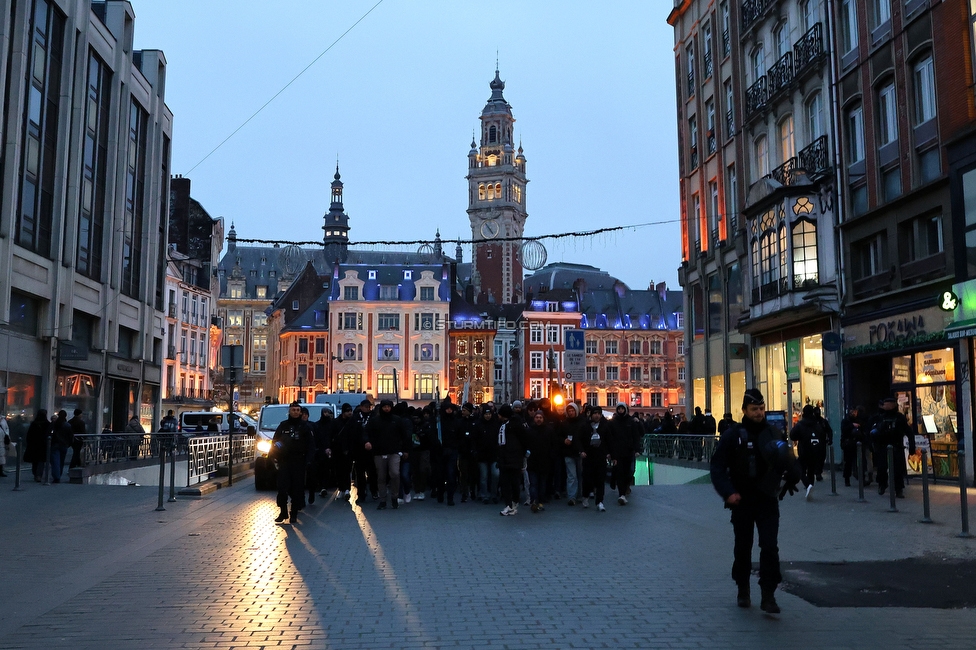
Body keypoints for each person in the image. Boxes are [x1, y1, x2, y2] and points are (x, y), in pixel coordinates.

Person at [710, 388, 802, 614]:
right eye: (754, 409)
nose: (759, 413)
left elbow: (790, 461)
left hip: (767, 499)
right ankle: (743, 588)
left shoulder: (774, 432)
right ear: (744, 410)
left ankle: (768, 595)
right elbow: (718, 467)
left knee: (769, 546)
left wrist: (793, 474)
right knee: (743, 547)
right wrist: (728, 492)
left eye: (761, 408)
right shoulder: (733, 435)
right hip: (741, 500)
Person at [270, 402, 314, 523]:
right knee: (282, 488)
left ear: (300, 412)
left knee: (297, 489)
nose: (295, 412)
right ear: (289, 411)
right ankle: (283, 511)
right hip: (284, 461)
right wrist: (273, 455)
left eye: (297, 410)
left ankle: (293, 513)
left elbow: (311, 445)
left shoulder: (305, 427)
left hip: (299, 462)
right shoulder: (283, 426)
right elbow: (275, 442)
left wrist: (308, 461)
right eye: (293, 410)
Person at [364, 399, 410, 510]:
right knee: (381, 477)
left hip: (394, 452)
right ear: (381, 408)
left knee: (395, 474)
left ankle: (394, 497)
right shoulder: (375, 421)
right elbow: (366, 432)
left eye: (388, 407)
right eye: (385, 407)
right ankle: (383, 499)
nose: (387, 409)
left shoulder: (397, 420)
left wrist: (406, 450)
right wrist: (367, 441)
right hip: (379, 453)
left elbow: (405, 436)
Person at [871, 397, 914, 498]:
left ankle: (898, 489)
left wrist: (912, 447)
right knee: (881, 468)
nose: (887, 406)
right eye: (886, 404)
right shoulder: (881, 417)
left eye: (889, 404)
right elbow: (874, 431)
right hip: (883, 446)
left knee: (898, 470)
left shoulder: (899, 417)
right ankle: (882, 484)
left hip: (896, 446)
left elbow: (908, 432)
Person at [790, 405, 826, 499]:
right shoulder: (817, 424)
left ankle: (807, 485)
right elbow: (823, 435)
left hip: (804, 451)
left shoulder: (801, 424)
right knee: (811, 470)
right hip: (816, 451)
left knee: (800, 468)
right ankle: (810, 487)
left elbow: (792, 435)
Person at [496, 404, 526, 516]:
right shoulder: (503, 425)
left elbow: (523, 439)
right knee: (506, 483)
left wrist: (522, 454)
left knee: (513, 482)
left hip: (513, 457)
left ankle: (513, 504)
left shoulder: (515, 425)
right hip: (505, 457)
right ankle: (510, 504)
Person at [580, 407, 612, 512]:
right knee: (587, 479)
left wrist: (609, 453)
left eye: (599, 413)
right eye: (595, 413)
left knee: (600, 480)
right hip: (588, 456)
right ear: (591, 415)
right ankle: (585, 496)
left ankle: (600, 501)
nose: (597, 415)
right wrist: (581, 451)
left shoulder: (605, 426)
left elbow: (608, 440)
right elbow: (580, 439)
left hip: (600, 456)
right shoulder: (585, 426)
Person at [608, 403, 639, 505]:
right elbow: (610, 438)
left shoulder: (631, 421)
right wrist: (610, 452)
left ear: (625, 410)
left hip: (628, 451)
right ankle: (621, 494)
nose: (621, 411)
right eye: (619, 409)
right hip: (617, 452)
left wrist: (636, 449)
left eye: (622, 409)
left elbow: (636, 436)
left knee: (628, 472)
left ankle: (624, 489)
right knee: (620, 473)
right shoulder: (613, 423)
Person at [328, 403, 360, 501]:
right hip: (337, 450)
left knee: (347, 470)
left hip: (349, 450)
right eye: (347, 411)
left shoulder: (353, 421)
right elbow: (331, 435)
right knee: (338, 470)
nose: (350, 413)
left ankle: (346, 489)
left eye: (350, 411)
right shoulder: (336, 422)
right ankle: (341, 488)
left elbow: (355, 435)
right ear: (343, 412)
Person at [525, 410, 554, 513]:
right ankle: (534, 501)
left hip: (544, 461)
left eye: (540, 417)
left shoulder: (549, 430)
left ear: (543, 418)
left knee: (542, 484)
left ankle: (540, 501)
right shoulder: (529, 431)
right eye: (537, 417)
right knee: (533, 483)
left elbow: (552, 445)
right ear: (534, 418)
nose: (538, 419)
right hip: (532, 461)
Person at [473, 405, 500, 504]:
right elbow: (475, 439)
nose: (488, 416)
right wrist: (476, 450)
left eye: (489, 414)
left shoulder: (495, 424)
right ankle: (484, 495)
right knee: (484, 477)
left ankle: (494, 494)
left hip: (493, 454)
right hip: (482, 455)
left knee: (495, 475)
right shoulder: (478, 424)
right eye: (486, 414)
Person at [560, 403, 584, 505]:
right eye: (569, 411)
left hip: (579, 452)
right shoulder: (564, 424)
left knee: (580, 475)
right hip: (568, 452)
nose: (571, 413)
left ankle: (580, 494)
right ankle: (572, 496)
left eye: (572, 411)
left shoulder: (582, 423)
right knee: (571, 476)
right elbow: (558, 436)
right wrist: (563, 441)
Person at [23, 410, 52, 482]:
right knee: (41, 461)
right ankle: (39, 475)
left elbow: (29, 435)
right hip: (43, 445)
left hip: (34, 445)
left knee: (35, 461)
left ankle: (36, 474)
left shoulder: (34, 424)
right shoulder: (47, 424)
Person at [839, 406, 865, 487]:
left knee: (860, 462)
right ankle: (847, 478)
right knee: (848, 462)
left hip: (858, 443)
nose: (854, 413)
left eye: (855, 412)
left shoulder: (860, 420)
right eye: (852, 412)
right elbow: (844, 430)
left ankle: (861, 477)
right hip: (848, 444)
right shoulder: (846, 421)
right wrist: (852, 425)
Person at [50, 410, 73, 483]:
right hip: (64, 445)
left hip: (55, 444)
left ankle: (56, 476)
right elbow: (70, 436)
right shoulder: (67, 425)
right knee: (61, 461)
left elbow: (50, 433)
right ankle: (59, 474)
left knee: (55, 461)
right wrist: (69, 444)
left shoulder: (54, 424)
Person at [0, 409, 9, 477]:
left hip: (2, 440)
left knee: (1, 455)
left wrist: (7, 437)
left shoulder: (3, 420)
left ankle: (1, 470)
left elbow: (6, 429)